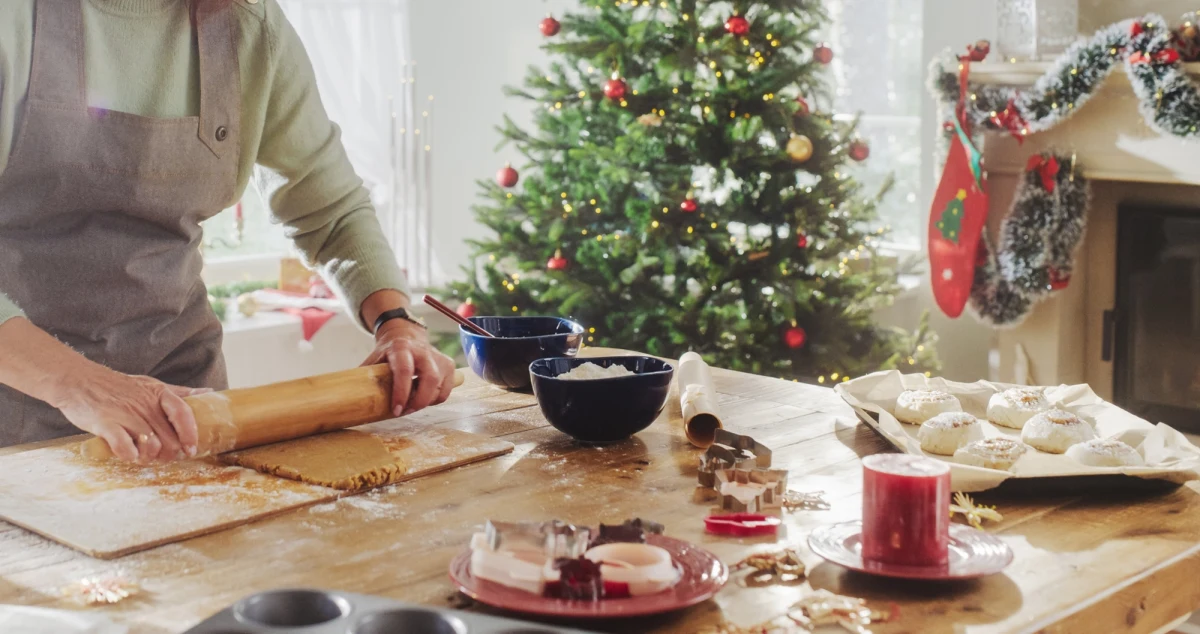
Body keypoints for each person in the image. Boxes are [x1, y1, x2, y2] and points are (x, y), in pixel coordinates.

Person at [0, 0, 456, 462]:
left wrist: (396, 324)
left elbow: (330, 209)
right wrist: (84, 386)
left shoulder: (249, 23)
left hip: (188, 412)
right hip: (14, 417)